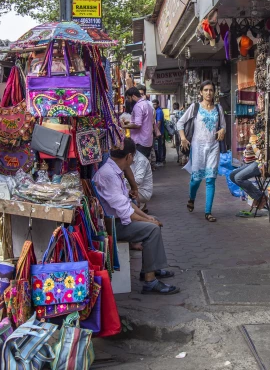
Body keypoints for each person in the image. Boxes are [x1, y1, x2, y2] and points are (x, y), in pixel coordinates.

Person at [93, 138, 179, 295]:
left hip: (117, 219)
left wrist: (148, 218)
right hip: (113, 225)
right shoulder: (109, 175)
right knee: (152, 229)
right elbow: (126, 212)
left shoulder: (114, 170)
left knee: (153, 222)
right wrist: (148, 220)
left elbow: (127, 203)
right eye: (133, 156)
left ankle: (150, 269)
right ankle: (150, 281)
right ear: (129, 156)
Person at [177, 81, 226, 222]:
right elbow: (180, 123)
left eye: (211, 90)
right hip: (197, 147)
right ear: (201, 92)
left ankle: (208, 212)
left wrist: (222, 130)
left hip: (213, 147)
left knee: (210, 179)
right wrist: (183, 138)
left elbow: (223, 126)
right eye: (205, 90)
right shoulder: (195, 107)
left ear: (214, 92)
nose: (208, 93)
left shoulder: (218, 108)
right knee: (196, 179)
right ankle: (191, 198)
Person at [231, 137, 267, 216]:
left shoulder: (265, 137)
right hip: (255, 161)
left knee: (238, 178)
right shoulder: (257, 136)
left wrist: (253, 145)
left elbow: (260, 154)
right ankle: (256, 195)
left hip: (261, 164)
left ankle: (259, 196)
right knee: (232, 175)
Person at [122, 87, 154, 159]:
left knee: (139, 163)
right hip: (147, 139)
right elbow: (144, 120)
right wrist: (129, 122)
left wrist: (124, 126)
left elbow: (137, 125)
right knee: (144, 162)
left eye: (129, 98)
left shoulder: (138, 106)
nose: (129, 101)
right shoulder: (147, 104)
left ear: (133, 96)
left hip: (140, 141)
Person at [153, 100, 166, 166]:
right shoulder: (156, 111)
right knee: (159, 146)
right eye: (153, 104)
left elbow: (158, 123)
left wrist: (156, 132)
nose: (154, 106)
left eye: (155, 104)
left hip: (159, 132)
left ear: (158, 104)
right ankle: (161, 159)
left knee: (159, 146)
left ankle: (160, 160)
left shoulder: (159, 111)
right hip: (159, 132)